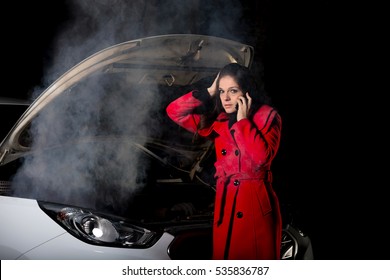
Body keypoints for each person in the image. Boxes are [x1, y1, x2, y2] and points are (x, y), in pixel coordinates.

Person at [166, 63, 282, 260]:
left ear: (247, 92)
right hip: (226, 204)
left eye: (233, 90)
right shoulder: (218, 122)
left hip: (254, 207)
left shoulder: (268, 117)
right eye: (222, 91)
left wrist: (243, 121)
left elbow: (261, 159)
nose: (226, 98)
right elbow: (174, 111)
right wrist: (209, 91)